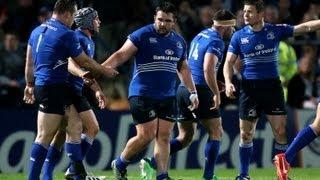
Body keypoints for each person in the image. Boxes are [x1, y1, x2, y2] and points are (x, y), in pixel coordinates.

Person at [223, 0, 320, 179]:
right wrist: (228, 82)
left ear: (260, 14)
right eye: (244, 11)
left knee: (280, 132)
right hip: (249, 89)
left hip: (272, 88)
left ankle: (280, 174)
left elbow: (304, 28)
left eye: (250, 12)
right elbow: (228, 63)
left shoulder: (274, 31)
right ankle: (243, 174)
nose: (245, 15)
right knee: (245, 134)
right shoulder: (239, 36)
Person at [102, 2, 198, 180]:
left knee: (164, 136)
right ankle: (121, 162)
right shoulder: (142, 35)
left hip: (168, 95)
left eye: (167, 21)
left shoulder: (179, 42)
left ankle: (162, 175)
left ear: (174, 21)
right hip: (142, 93)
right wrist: (101, 69)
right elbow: (121, 54)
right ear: (155, 18)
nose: (162, 24)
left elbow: (183, 68)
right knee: (146, 135)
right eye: (159, 19)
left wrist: (192, 92)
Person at [23, 0, 117, 179]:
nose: (73, 20)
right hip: (59, 87)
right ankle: (73, 173)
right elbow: (76, 64)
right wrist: (104, 71)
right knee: (59, 131)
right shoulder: (69, 35)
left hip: (50, 86)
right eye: (73, 16)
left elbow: (29, 62)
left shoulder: (37, 30)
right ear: (67, 14)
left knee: (65, 131)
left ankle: (65, 173)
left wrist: (29, 85)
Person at [139, 9, 236, 180]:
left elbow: (191, 64)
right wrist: (215, 92)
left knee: (185, 137)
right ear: (224, 27)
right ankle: (209, 176)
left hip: (184, 88)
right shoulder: (217, 41)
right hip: (201, 90)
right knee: (216, 132)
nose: (233, 31)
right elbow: (207, 68)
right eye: (232, 27)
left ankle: (151, 163)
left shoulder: (201, 35)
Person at [39, 7, 107, 180]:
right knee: (70, 130)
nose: (99, 22)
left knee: (86, 128)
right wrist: (83, 74)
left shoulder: (89, 41)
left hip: (76, 90)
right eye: (96, 18)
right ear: (87, 21)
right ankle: (73, 173)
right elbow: (69, 63)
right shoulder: (76, 37)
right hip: (65, 88)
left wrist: (97, 90)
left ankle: (71, 171)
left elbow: (86, 69)